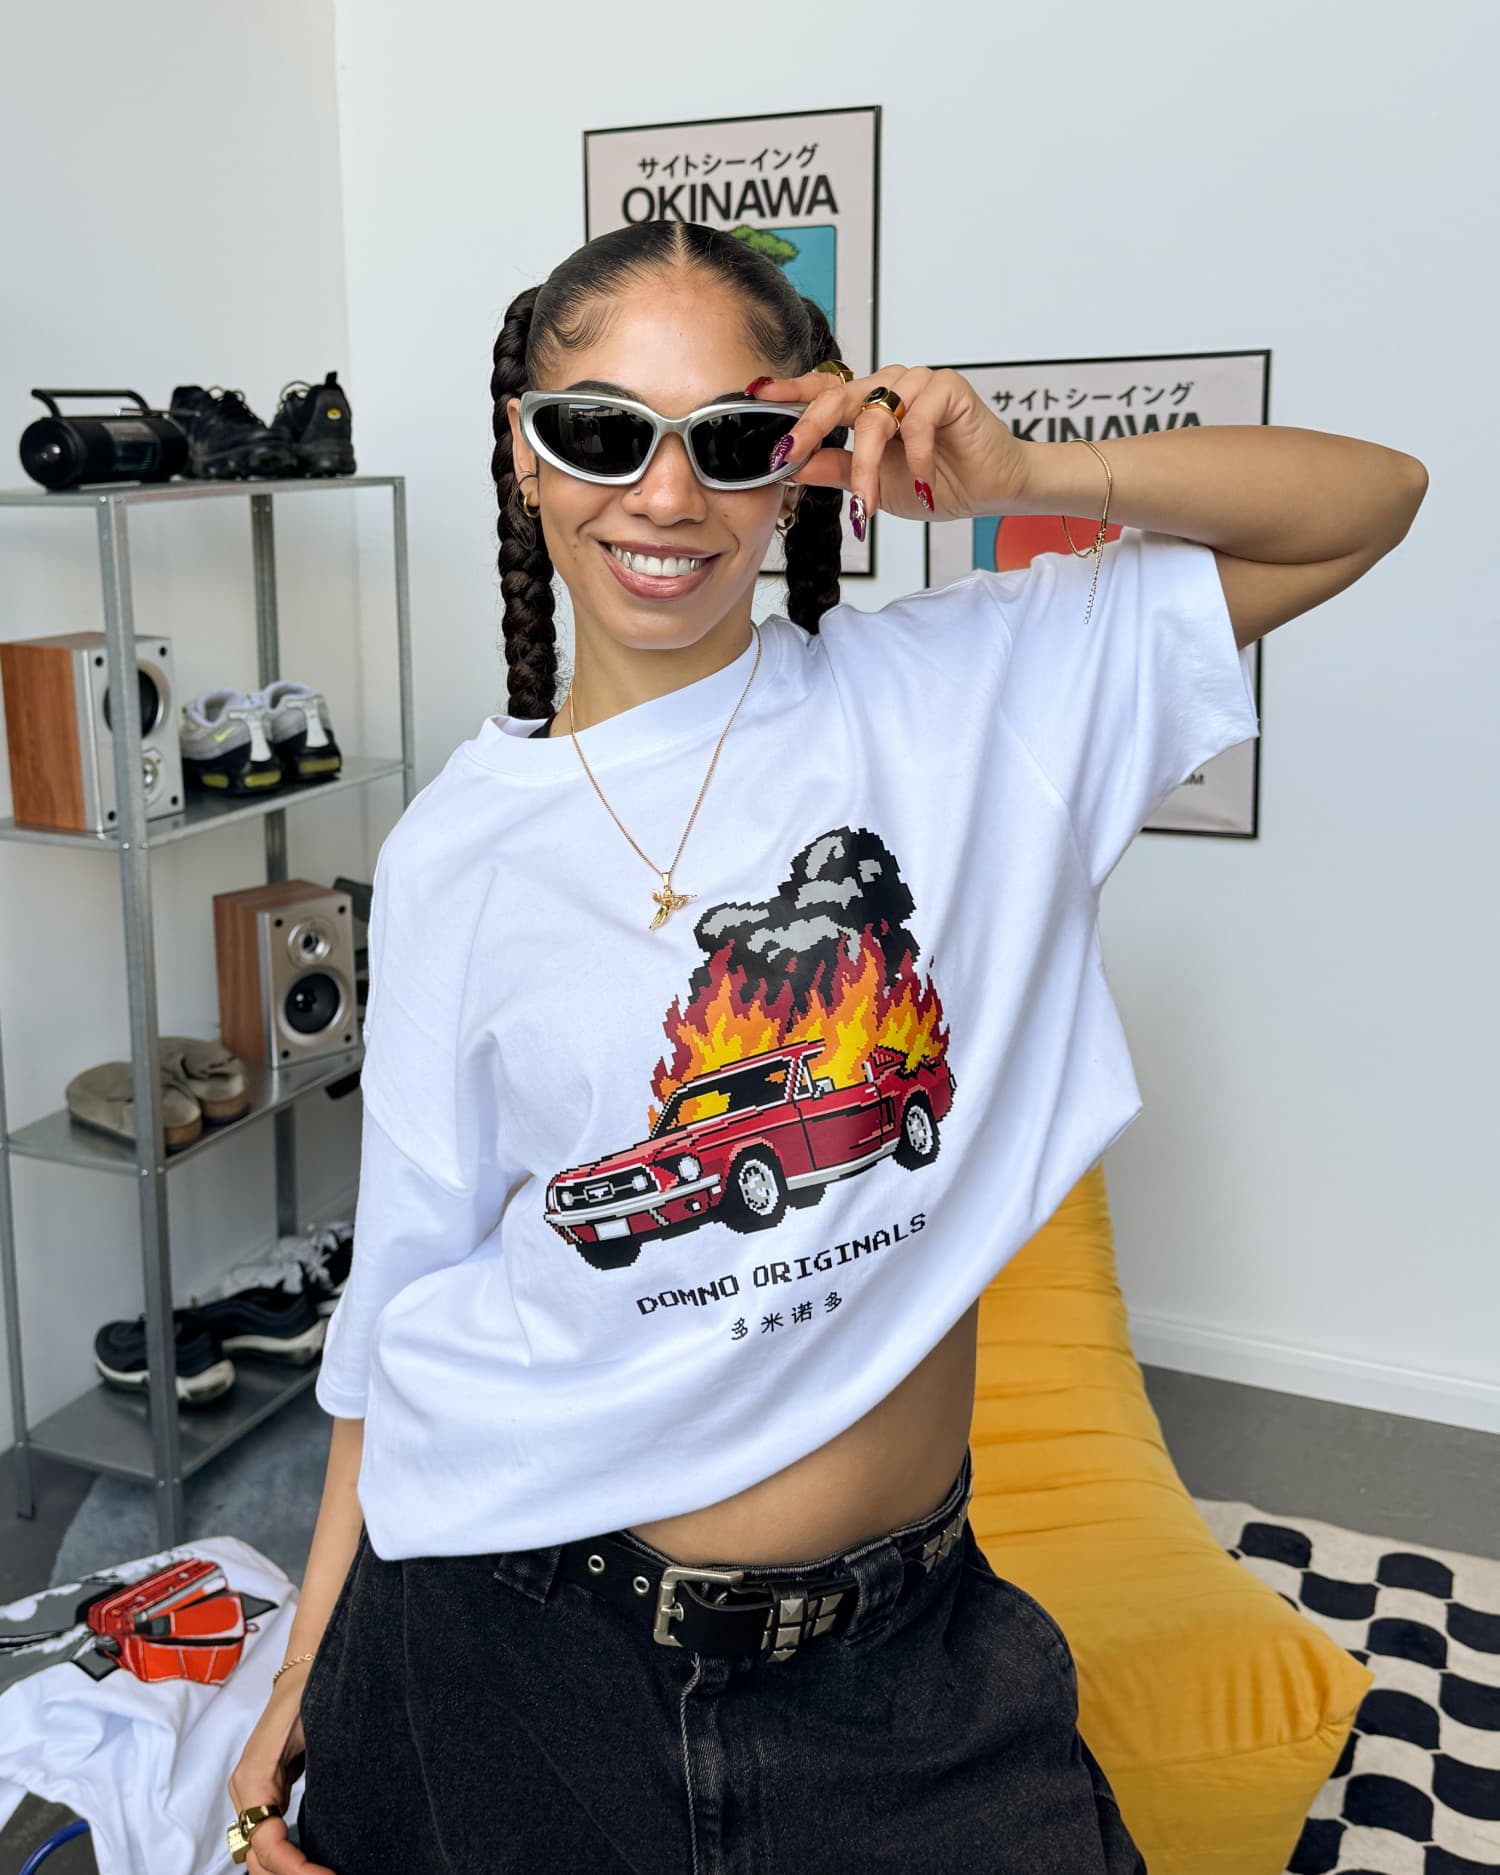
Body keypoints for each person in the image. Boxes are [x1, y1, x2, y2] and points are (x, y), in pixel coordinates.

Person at [227, 219, 1427, 1874]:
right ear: (524, 453)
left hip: (903, 1660)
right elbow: (405, 1297)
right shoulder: (454, 851)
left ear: (804, 462)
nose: (664, 497)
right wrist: (307, 1661)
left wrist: (1024, 471)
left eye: (732, 441)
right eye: (602, 432)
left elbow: (1371, 498)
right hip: (519, 1635)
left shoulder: (973, 694)